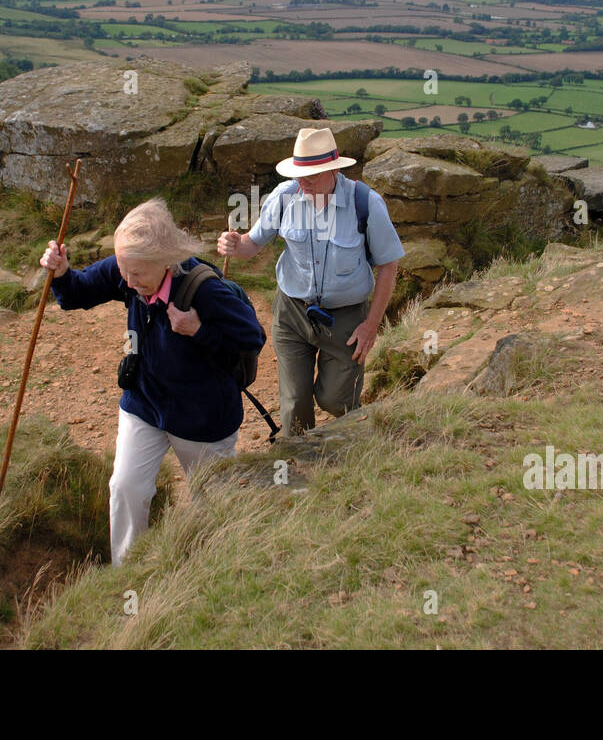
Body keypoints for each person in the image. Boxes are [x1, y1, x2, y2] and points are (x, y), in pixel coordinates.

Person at [40, 198, 266, 566]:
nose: (127, 282)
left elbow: (252, 338)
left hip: (202, 417)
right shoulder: (130, 266)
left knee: (214, 499)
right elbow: (76, 293)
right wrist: (63, 271)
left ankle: (217, 568)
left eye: (136, 274)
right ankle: (126, 574)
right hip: (145, 403)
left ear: (165, 259)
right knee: (126, 487)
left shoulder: (205, 290)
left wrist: (199, 330)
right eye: (124, 271)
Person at [216, 127, 404, 437]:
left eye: (311, 177)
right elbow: (253, 243)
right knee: (294, 404)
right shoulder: (285, 196)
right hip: (291, 313)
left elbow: (388, 264)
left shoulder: (366, 203)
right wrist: (236, 246)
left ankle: (352, 453)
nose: (302, 183)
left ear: (332, 169)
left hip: (345, 318)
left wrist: (371, 325)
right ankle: (297, 468)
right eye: (299, 175)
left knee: (337, 401)